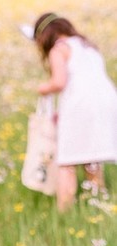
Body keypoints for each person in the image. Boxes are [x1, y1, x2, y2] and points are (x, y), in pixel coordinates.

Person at [32, 12, 117, 211]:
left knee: (67, 162)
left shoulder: (59, 49)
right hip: (107, 103)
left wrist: (43, 88)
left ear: (44, 35)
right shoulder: (87, 46)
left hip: (81, 106)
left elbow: (59, 82)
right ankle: (98, 205)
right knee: (92, 158)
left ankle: (64, 213)